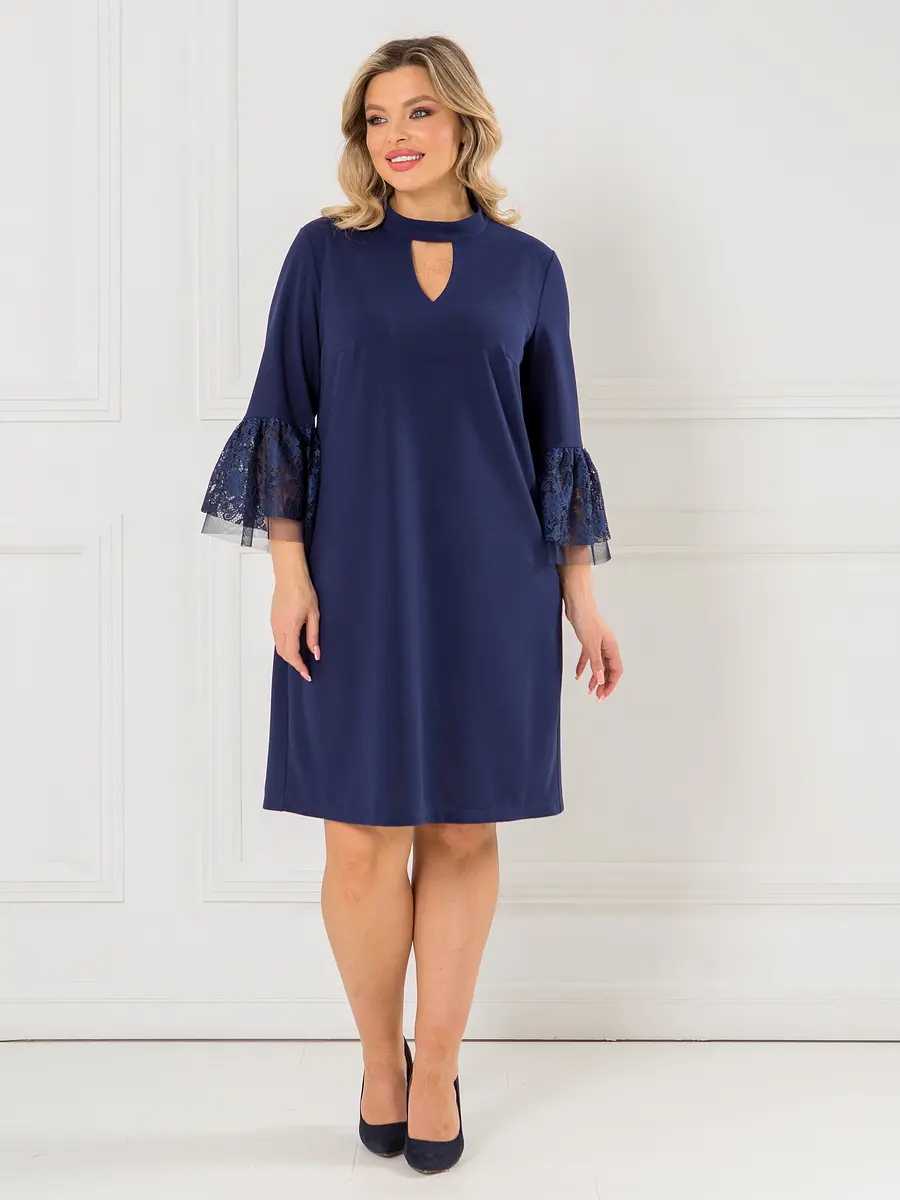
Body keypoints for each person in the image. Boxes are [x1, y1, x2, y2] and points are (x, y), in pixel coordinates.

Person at [199, 34, 623, 1175]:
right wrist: (289, 572)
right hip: (356, 576)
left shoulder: (528, 268)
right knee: (359, 835)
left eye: (418, 111)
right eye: (377, 117)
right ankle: (377, 1060)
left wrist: (582, 602)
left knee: (465, 827)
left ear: (464, 123)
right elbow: (281, 415)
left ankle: (437, 1068)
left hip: (496, 580)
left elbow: (558, 444)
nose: (396, 134)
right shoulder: (324, 257)